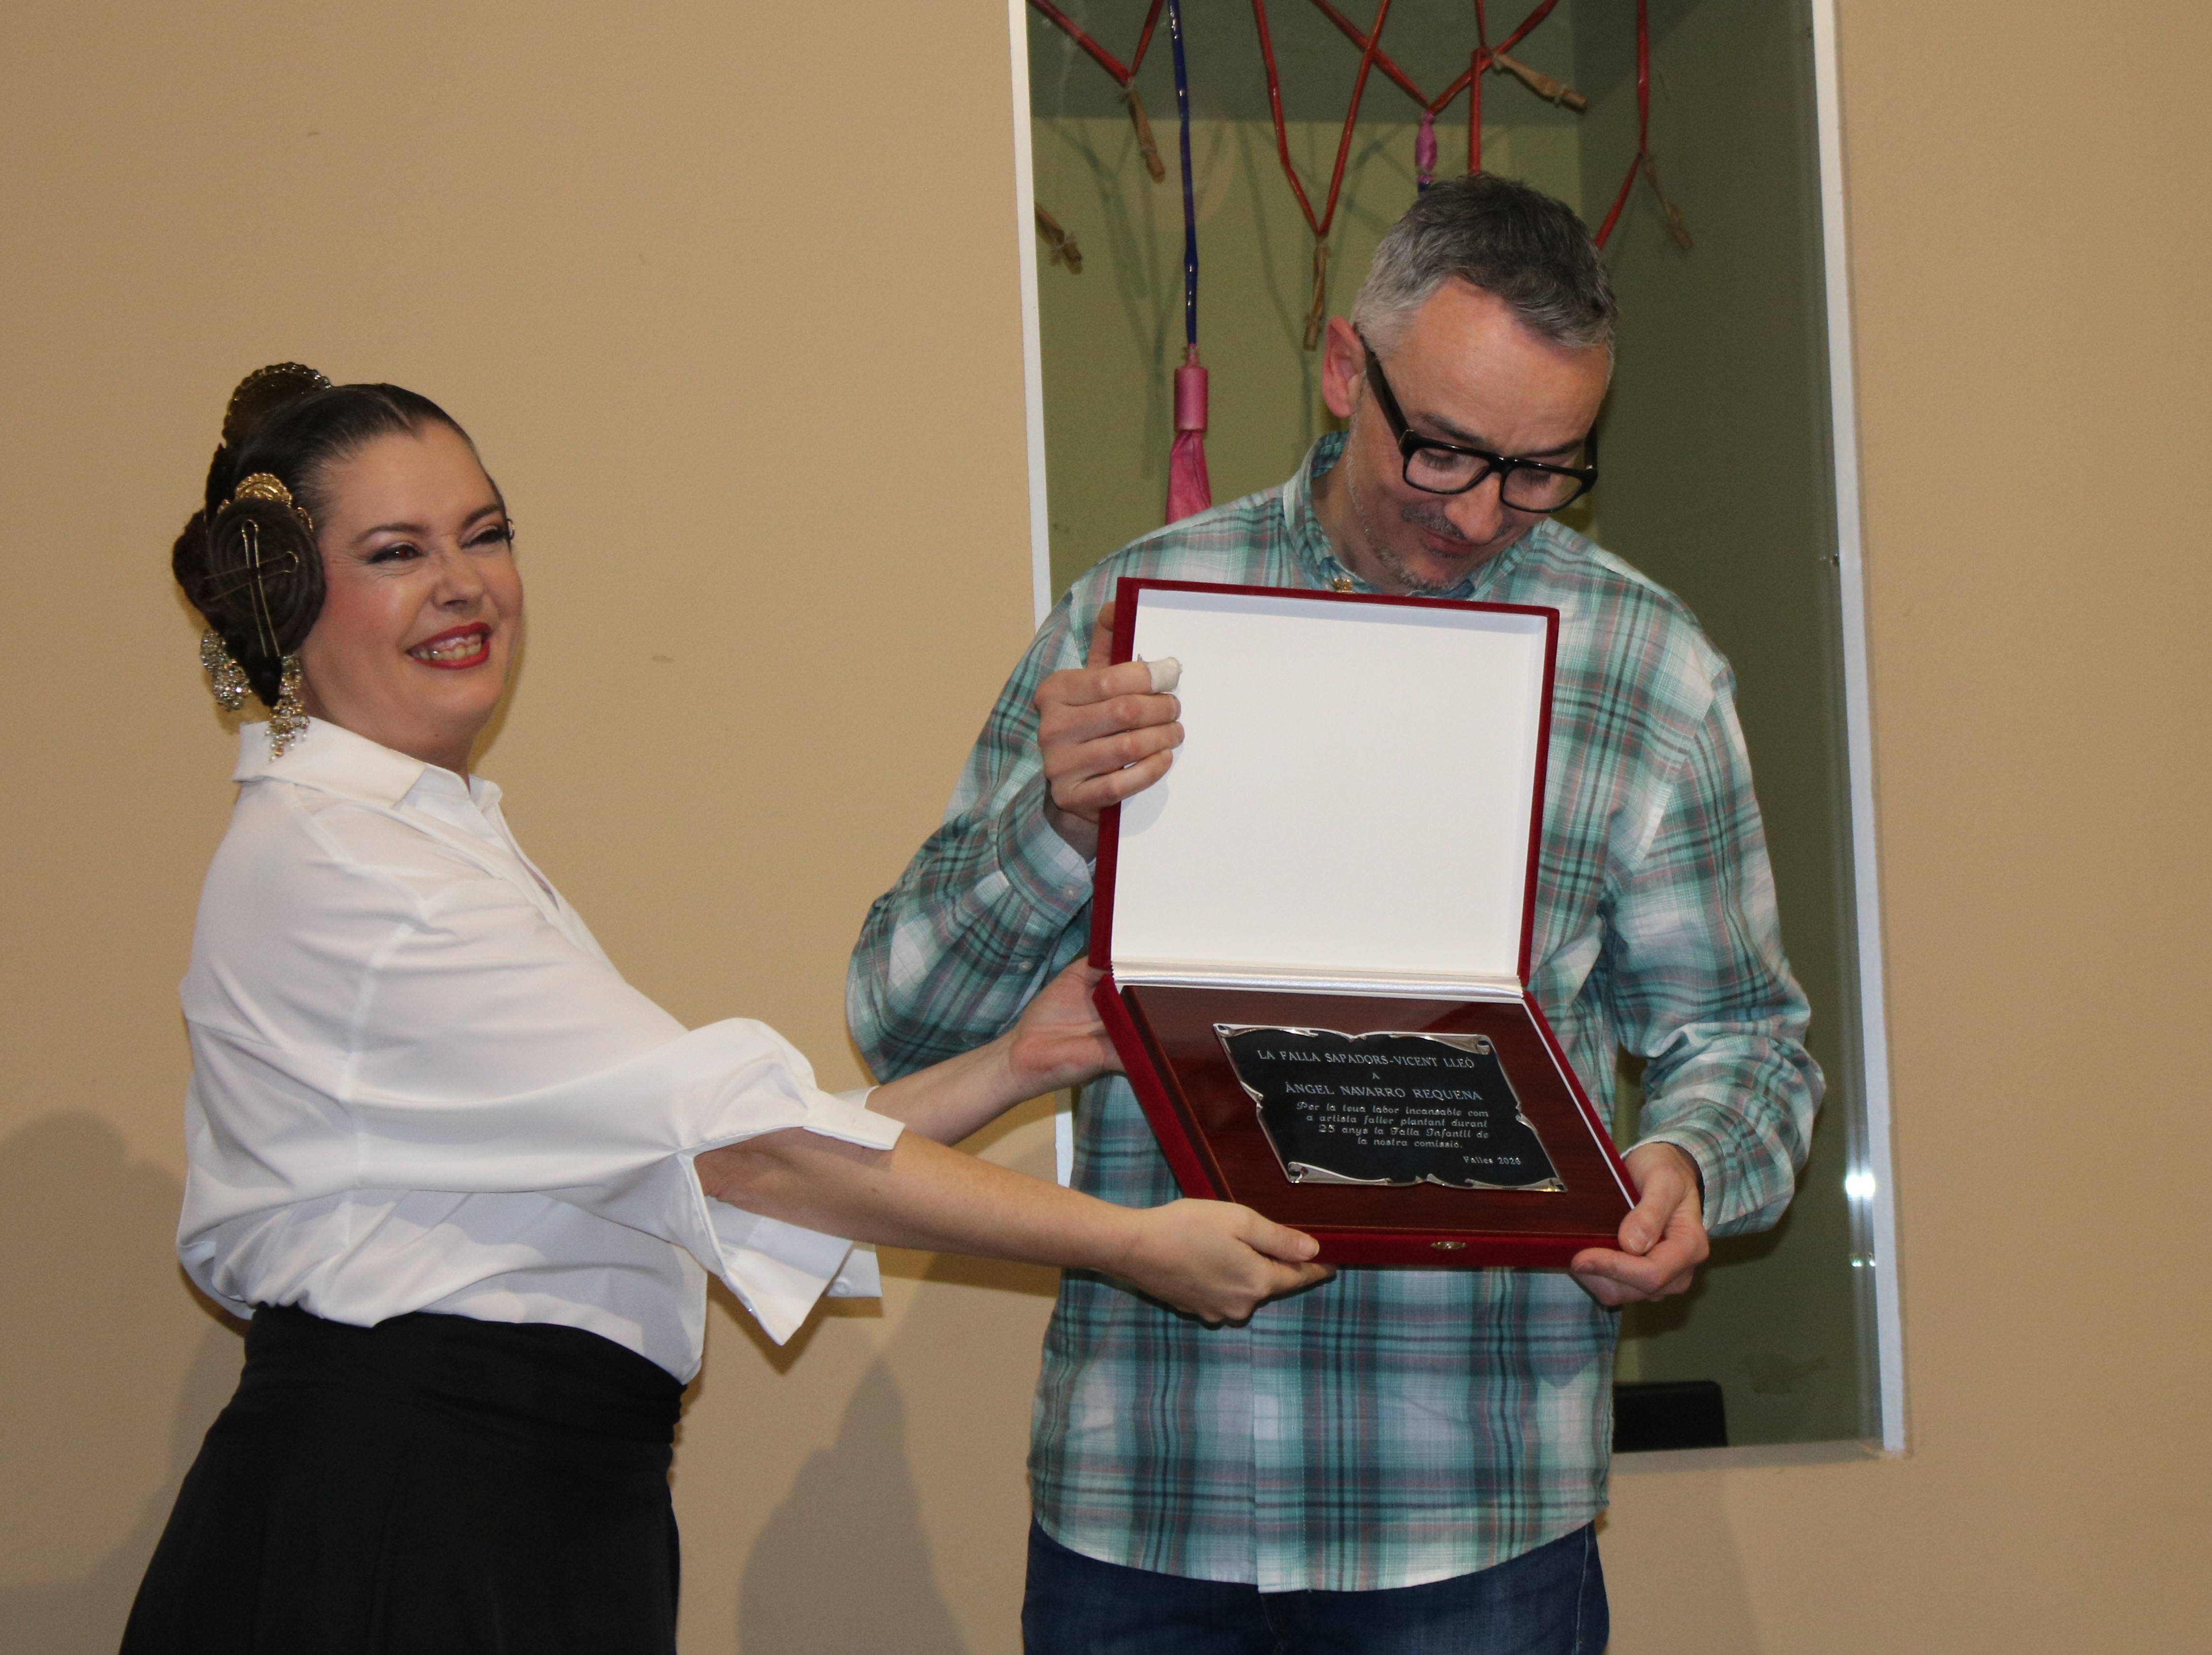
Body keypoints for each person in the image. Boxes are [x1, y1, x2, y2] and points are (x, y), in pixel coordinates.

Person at [125, 365, 1329, 1655]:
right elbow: (746, 1152)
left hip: (504, 1500)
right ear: (282, 602)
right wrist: (1131, 1244)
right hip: (407, 1515)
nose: (465, 584)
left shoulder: (419, 841)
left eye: (485, 534)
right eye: (396, 553)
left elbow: (695, 1159)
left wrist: (1016, 1064)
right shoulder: (353, 867)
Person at [847, 172, 1823, 1653]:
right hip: (1151, 1491)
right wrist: (1057, 826)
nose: (1480, 513)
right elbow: (901, 1028)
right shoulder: (1139, 616)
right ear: (1341, 368)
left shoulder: (1647, 665)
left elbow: (1745, 1040)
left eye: (1543, 470)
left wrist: (1688, 1163)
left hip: (1476, 1513)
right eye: (1446, 448)